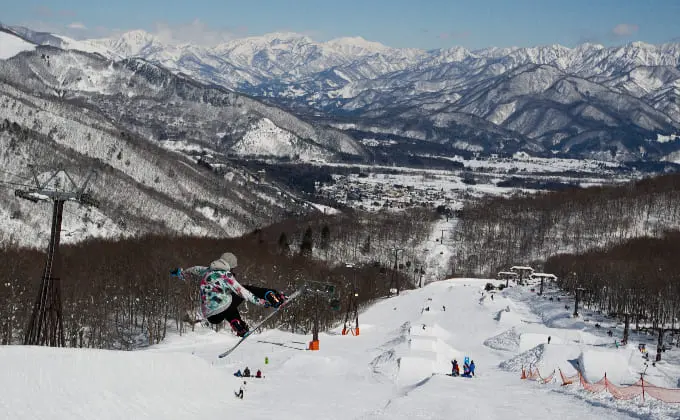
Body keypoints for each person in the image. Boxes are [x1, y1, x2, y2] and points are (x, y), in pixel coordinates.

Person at [171, 252, 287, 337]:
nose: (232, 270)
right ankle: (272, 297)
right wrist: (261, 302)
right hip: (221, 308)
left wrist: (181, 273)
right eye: (232, 268)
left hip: (211, 316)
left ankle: (238, 326)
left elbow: (194, 269)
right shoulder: (226, 276)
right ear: (229, 265)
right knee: (245, 289)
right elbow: (244, 293)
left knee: (227, 302)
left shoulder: (208, 270)